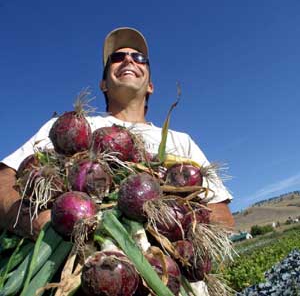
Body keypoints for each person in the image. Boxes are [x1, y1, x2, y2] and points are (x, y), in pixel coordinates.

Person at [0, 27, 235, 240]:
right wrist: (37, 223)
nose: (129, 60)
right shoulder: (71, 125)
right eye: (117, 58)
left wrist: (182, 229)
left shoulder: (182, 142)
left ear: (150, 85)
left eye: (139, 58)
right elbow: (4, 178)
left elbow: (223, 218)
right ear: (103, 84)